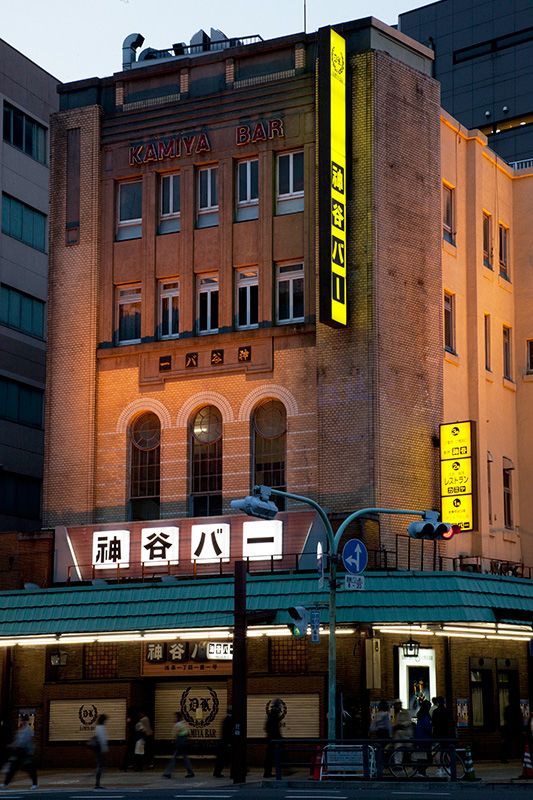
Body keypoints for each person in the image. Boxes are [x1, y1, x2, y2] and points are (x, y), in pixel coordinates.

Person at [2, 714, 38, 790]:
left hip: (25, 752)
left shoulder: (28, 730)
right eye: (22, 720)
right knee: (13, 768)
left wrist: (30, 751)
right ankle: (5, 783)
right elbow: (17, 740)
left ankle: (35, 784)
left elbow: (27, 741)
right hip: (19, 751)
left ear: (26, 721)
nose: (22, 721)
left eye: (23, 720)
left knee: (29, 768)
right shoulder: (20, 730)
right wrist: (12, 745)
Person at [163, 711, 194, 779]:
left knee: (174, 758)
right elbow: (189, 732)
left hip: (180, 742)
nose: (173, 718)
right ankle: (190, 772)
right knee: (185, 758)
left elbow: (174, 734)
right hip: (185, 742)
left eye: (175, 717)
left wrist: (173, 740)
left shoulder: (177, 725)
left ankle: (168, 773)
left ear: (177, 717)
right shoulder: (185, 723)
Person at [263, 698, 282, 778]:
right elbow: (275, 729)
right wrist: (278, 737)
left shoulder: (270, 714)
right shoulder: (274, 715)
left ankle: (267, 772)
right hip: (274, 740)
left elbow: (266, 727)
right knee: (273, 756)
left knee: (269, 757)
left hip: (271, 739)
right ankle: (269, 773)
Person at [392, 699, 413, 765]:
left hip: (405, 734)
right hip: (399, 735)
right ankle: (398, 764)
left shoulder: (406, 712)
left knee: (408, 749)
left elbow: (409, 721)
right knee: (398, 750)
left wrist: (401, 725)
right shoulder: (396, 713)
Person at [413, 700, 432, 776]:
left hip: (419, 739)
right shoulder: (425, 716)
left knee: (422, 757)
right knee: (429, 759)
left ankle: (421, 772)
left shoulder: (420, 715)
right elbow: (427, 728)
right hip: (425, 739)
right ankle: (420, 771)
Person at [213, 707, 233, 778]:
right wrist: (229, 743)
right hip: (227, 743)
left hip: (223, 742)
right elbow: (228, 733)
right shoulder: (230, 720)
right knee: (226, 758)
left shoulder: (225, 719)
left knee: (221, 759)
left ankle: (216, 772)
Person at [94, 713, 109, 789]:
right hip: (100, 749)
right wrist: (104, 749)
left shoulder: (97, 727)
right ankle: (97, 783)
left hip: (98, 748)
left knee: (100, 765)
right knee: (100, 766)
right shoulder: (101, 727)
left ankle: (97, 783)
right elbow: (102, 739)